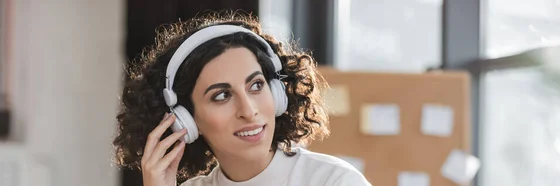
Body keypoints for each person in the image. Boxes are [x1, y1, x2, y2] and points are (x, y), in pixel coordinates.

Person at [112, 13, 371, 186]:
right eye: (222, 95)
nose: (248, 110)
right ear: (187, 121)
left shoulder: (334, 181)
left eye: (256, 85)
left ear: (277, 94)